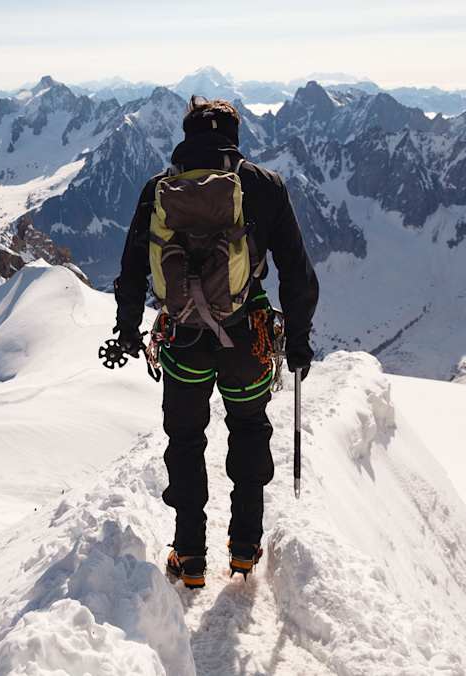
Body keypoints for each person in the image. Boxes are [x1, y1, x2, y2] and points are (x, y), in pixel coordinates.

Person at [113, 97, 318, 588]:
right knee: (248, 431)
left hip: (182, 340)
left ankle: (189, 556)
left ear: (186, 134)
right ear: (235, 134)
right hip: (247, 338)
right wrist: (301, 338)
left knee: (185, 441)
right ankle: (245, 548)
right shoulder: (264, 186)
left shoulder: (158, 189)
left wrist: (126, 329)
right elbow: (296, 270)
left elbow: (131, 270)